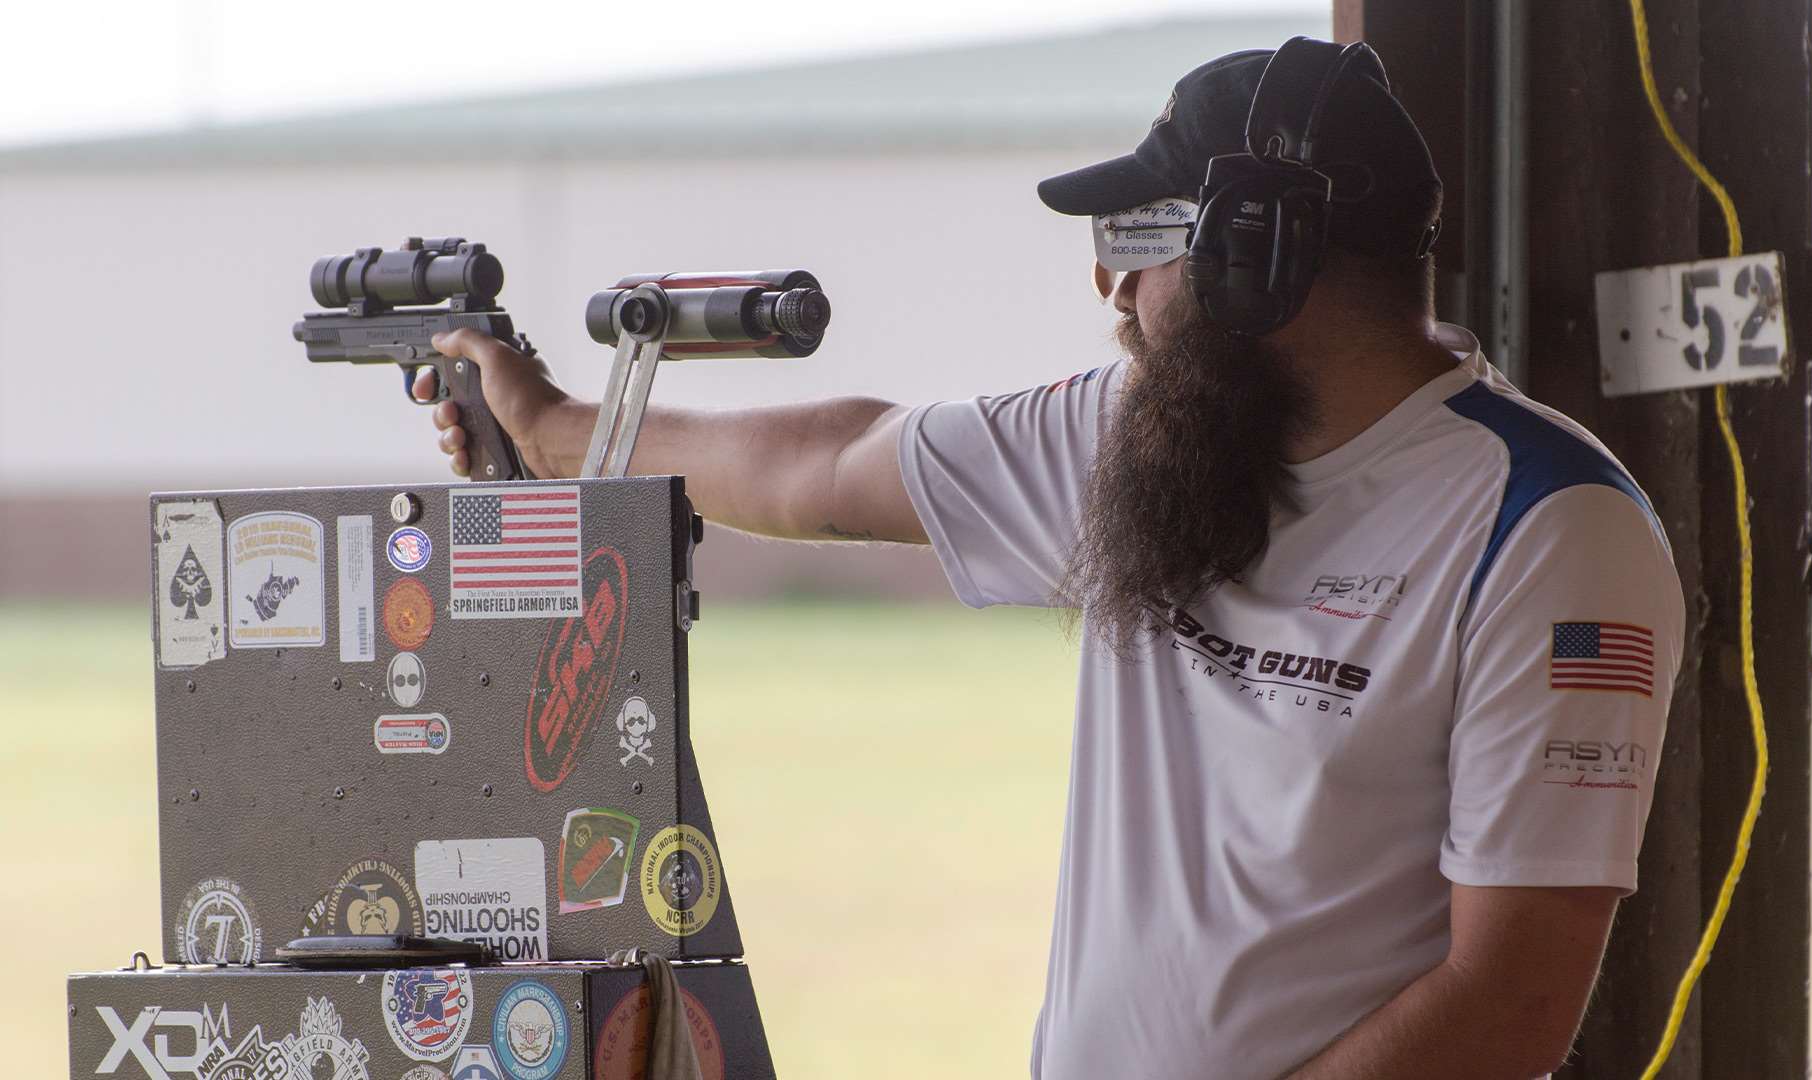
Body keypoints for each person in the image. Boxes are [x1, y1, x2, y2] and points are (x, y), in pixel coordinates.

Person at [417, 39, 1683, 1080]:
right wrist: (558, 427)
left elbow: (1510, 997)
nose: (1110, 289)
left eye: (1140, 238)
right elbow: (833, 463)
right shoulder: (1137, 436)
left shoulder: (1550, 528)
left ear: (1258, 252)